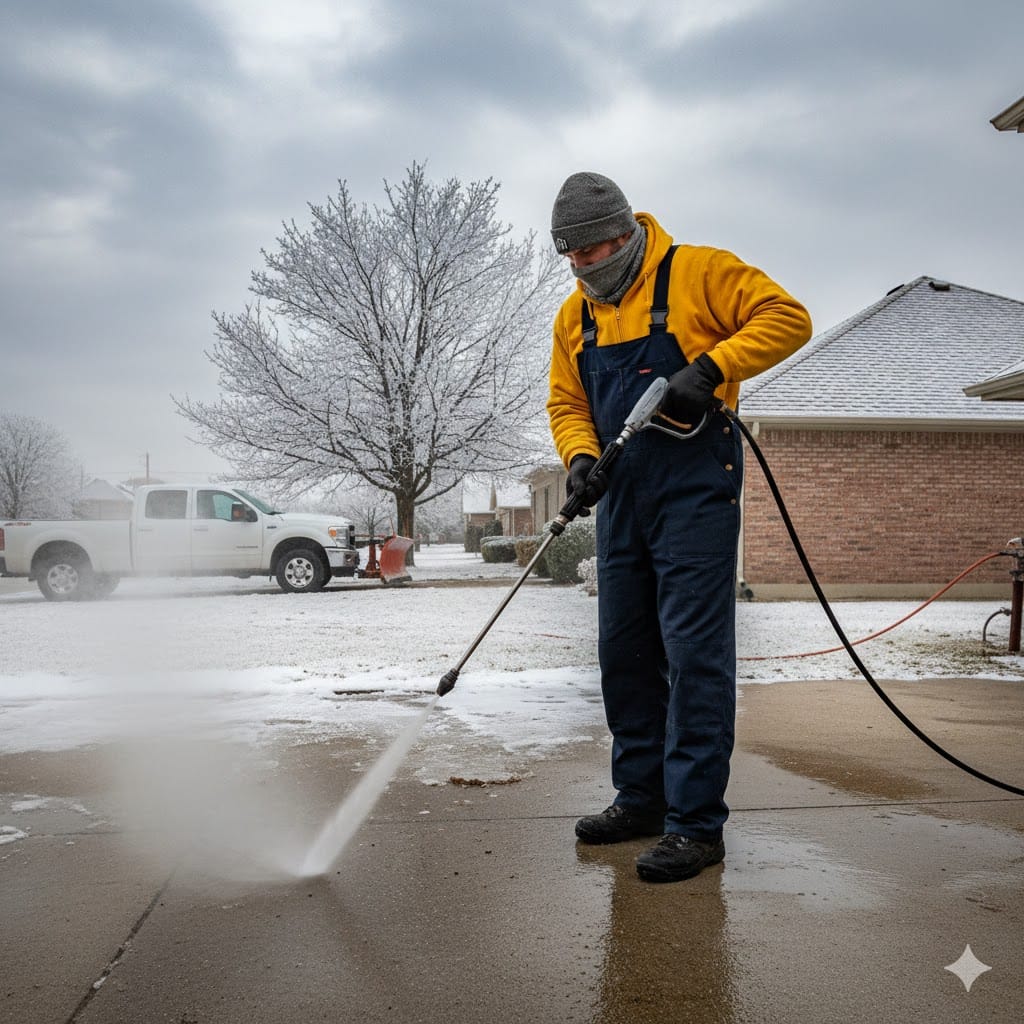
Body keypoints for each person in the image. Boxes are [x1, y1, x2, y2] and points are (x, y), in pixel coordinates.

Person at [546, 171, 812, 883]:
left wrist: (713, 367)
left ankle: (695, 825)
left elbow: (788, 318)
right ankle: (642, 799)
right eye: (570, 256)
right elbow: (566, 402)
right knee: (624, 652)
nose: (581, 267)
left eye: (591, 252)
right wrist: (579, 459)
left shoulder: (699, 272)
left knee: (695, 657)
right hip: (622, 498)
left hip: (695, 490)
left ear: (623, 234)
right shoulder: (575, 317)